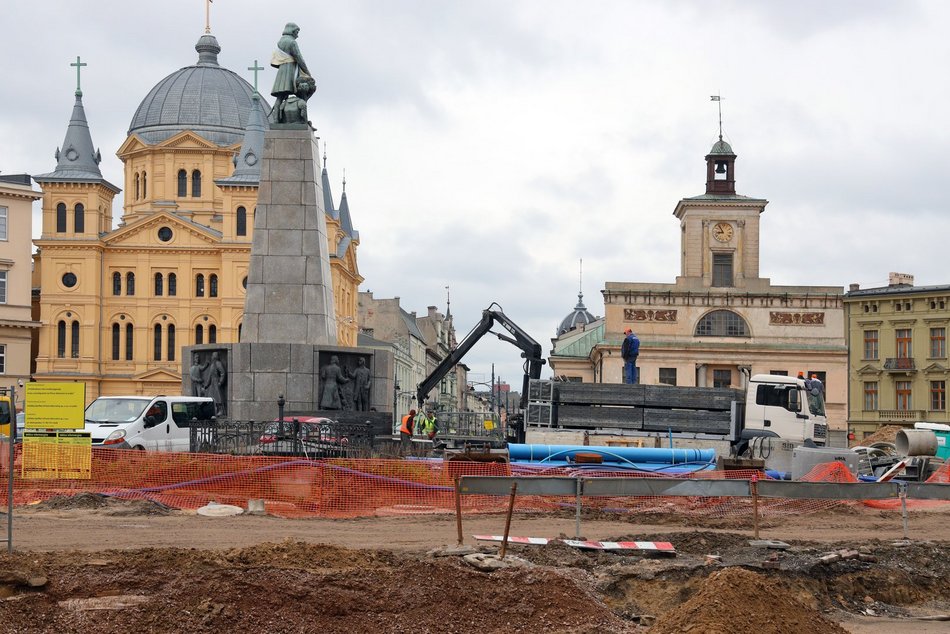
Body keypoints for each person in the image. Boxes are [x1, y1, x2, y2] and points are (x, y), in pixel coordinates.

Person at [270, 22, 312, 123]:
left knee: (280, 97)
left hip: (282, 71)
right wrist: (307, 72)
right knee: (299, 93)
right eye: (297, 32)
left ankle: (276, 120)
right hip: (290, 70)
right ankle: (301, 119)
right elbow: (299, 57)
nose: (297, 35)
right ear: (292, 31)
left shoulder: (280, 42)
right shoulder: (292, 42)